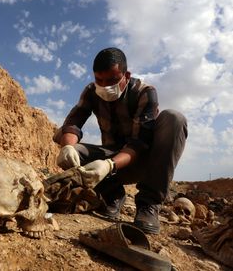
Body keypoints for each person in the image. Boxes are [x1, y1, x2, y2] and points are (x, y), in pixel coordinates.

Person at [53, 47, 188, 234]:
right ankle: (112, 192)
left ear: (126, 75)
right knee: (69, 146)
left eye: (112, 81)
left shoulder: (144, 92)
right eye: (99, 80)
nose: (105, 86)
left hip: (142, 161)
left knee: (174, 118)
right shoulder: (91, 92)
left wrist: (109, 165)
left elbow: (138, 144)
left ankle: (149, 204)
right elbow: (74, 122)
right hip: (112, 158)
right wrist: (67, 147)